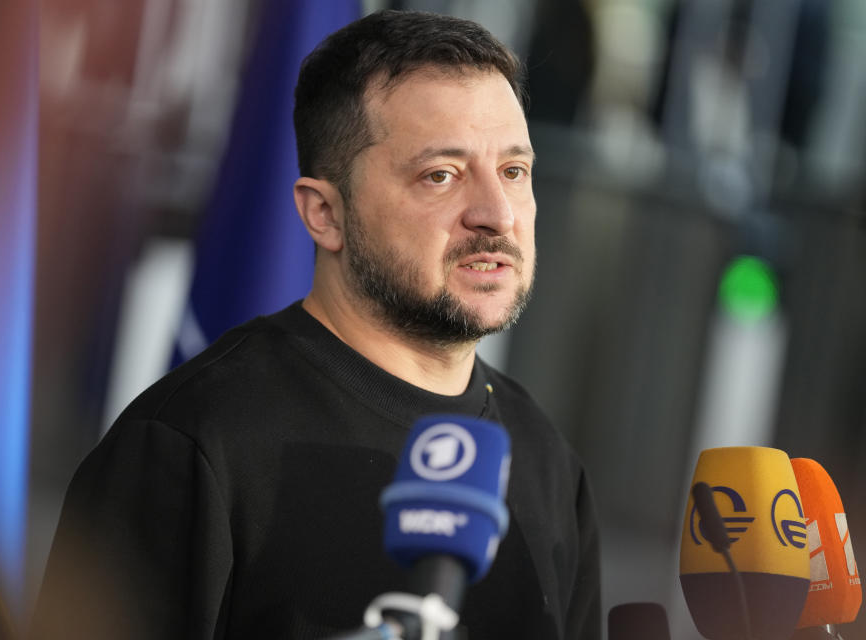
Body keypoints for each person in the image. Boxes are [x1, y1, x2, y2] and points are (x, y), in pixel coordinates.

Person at [32, 10, 601, 640]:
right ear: (324, 213)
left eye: (514, 172)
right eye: (441, 175)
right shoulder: (190, 444)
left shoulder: (550, 464)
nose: (496, 215)